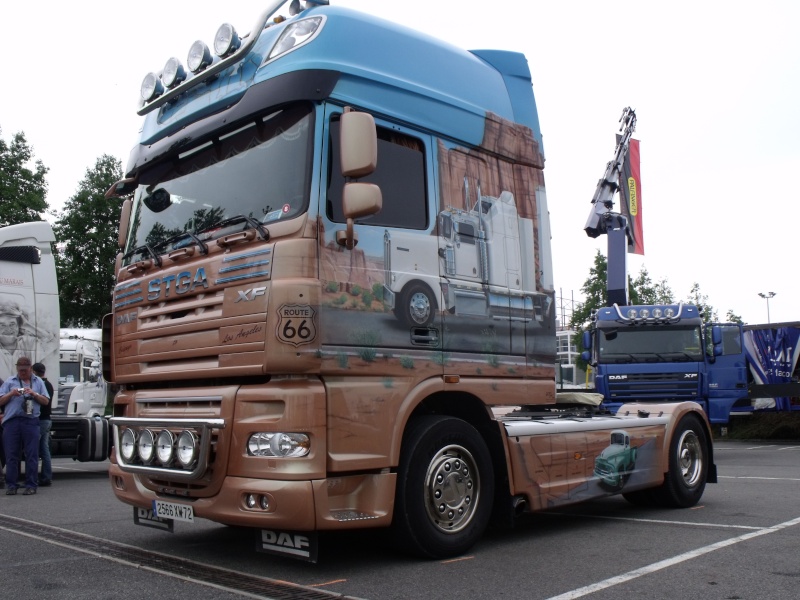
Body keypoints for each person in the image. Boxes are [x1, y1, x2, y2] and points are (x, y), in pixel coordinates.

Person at [0, 356, 50, 495]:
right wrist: (11, 393)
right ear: (17, 368)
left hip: (31, 421)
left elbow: (45, 401)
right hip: (12, 422)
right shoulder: (10, 381)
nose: (22, 372)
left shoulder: (38, 381)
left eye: (25, 370)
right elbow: (1, 401)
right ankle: (12, 485)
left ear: (30, 368)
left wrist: (34, 394)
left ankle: (31, 485)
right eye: (20, 370)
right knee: (11, 455)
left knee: (32, 454)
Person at [32, 362, 53, 486]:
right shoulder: (49, 384)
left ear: (34, 372)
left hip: (40, 420)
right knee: (45, 450)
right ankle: (46, 477)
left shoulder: (40, 384)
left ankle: (34, 477)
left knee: (33, 449)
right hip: (47, 419)